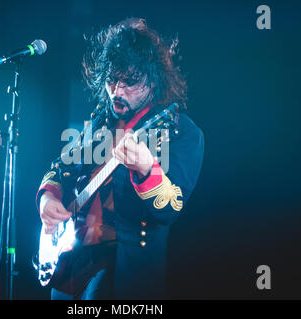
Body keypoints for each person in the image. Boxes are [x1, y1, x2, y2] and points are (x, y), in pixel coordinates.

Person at [36, 17, 204, 299]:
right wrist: (47, 198)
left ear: (153, 82)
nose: (116, 91)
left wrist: (145, 168)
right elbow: (59, 168)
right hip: (71, 267)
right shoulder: (99, 125)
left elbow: (172, 206)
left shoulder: (180, 131)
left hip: (123, 271)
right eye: (112, 80)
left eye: (129, 82)